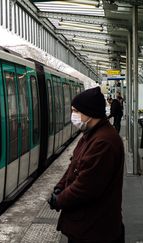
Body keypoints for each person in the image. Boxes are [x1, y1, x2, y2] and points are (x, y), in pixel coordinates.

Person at [48, 86, 125, 243]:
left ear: (89, 112)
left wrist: (59, 200)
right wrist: (60, 186)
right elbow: (73, 165)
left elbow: (86, 186)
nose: (73, 115)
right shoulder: (91, 135)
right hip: (87, 225)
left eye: (76, 111)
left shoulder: (103, 142)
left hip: (94, 229)